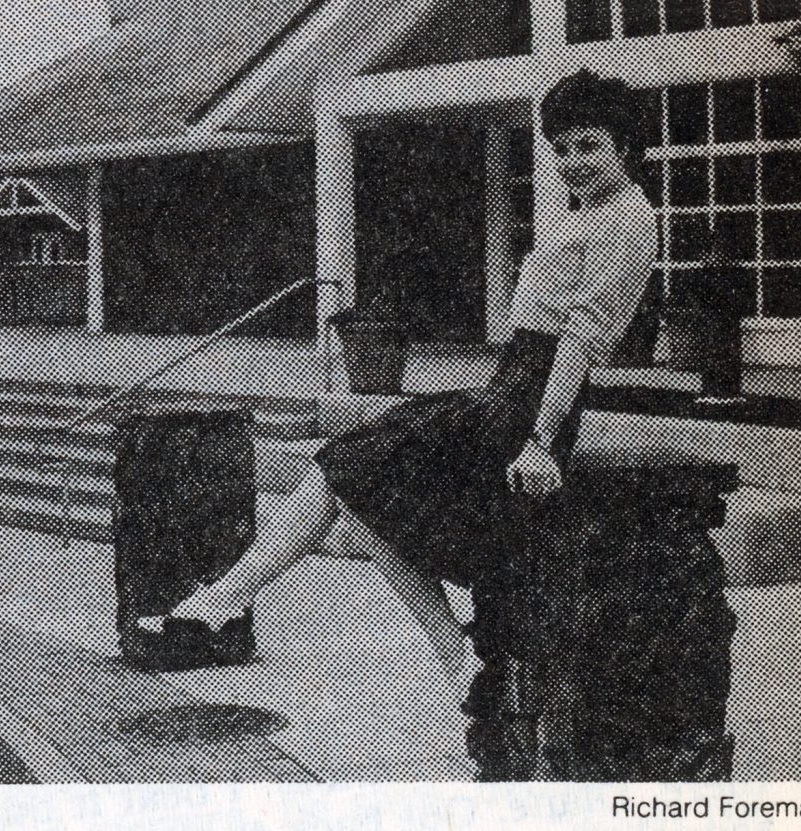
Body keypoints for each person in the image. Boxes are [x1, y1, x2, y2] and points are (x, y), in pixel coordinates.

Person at [139, 68, 659, 694]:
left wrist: (541, 440)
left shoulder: (627, 220)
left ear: (624, 147)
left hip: (532, 402)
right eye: (562, 148)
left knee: (355, 477)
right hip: (508, 385)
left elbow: (582, 339)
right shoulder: (588, 215)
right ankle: (444, 655)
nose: (573, 162)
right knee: (360, 486)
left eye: (590, 147)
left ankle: (228, 601)